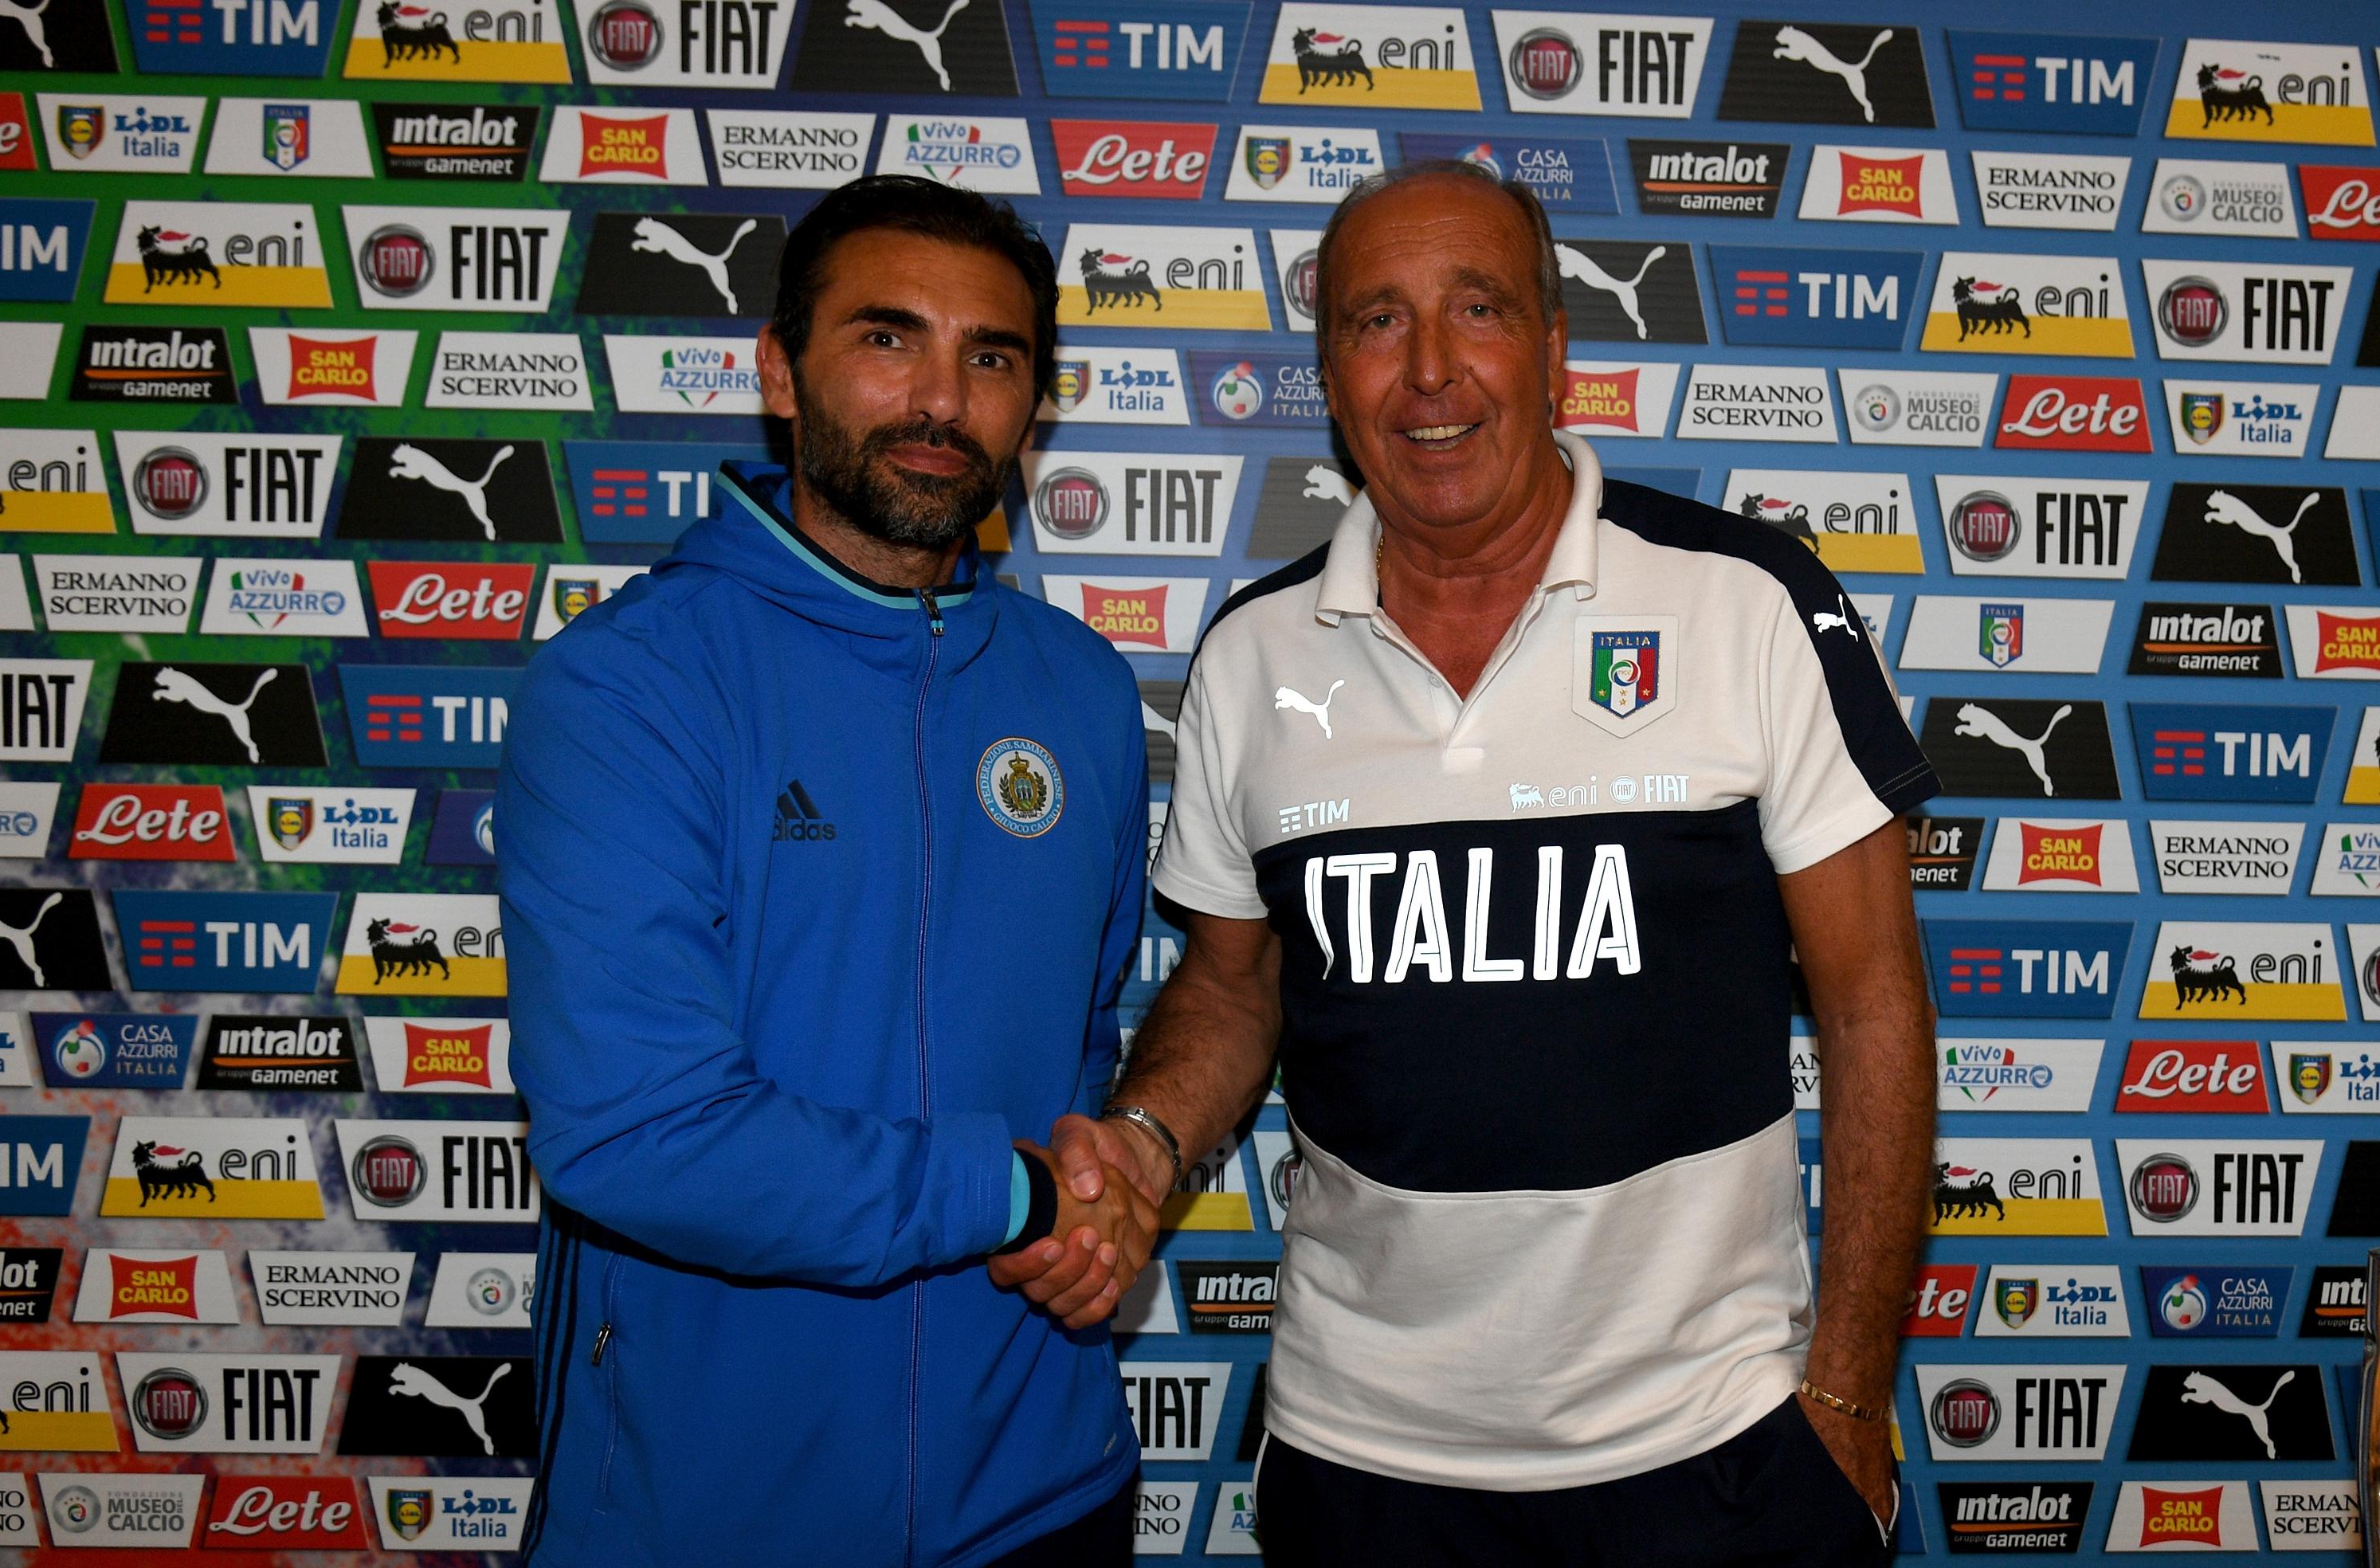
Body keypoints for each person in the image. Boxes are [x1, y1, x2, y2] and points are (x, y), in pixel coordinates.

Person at [1009, 161, 1940, 1564]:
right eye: (1378, 321)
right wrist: (1142, 1149)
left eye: (1479, 309)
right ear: (1331, 371)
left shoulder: (1747, 600)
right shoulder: (1254, 656)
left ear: (1557, 348)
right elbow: (1232, 984)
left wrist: (1850, 1396)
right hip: (1363, 1457)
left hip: (1714, 1449)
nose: (1431, 371)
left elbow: (1875, 1009)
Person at [499, 175, 1155, 1567]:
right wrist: (1021, 1196)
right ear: (779, 373)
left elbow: (1076, 1055)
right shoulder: (632, 686)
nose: (941, 398)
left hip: (1043, 1499)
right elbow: (634, 1136)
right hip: (713, 1519)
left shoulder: (1084, 690)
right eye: (887, 338)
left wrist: (1098, 1194)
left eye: (992, 357)